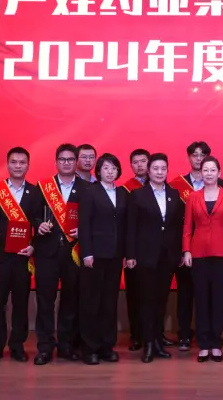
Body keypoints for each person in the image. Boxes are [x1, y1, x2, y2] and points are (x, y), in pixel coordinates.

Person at [0, 147, 42, 363]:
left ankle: (17, 345)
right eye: (14, 162)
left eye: (22, 162)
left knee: (20, 303)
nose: (18, 166)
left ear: (28, 165)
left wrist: (34, 246)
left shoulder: (35, 192)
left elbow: (39, 223)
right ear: (7, 165)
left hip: (23, 257)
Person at [127, 153, 185, 363]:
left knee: (161, 300)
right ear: (148, 171)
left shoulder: (174, 194)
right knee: (147, 300)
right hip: (145, 257)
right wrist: (130, 254)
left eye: (163, 169)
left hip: (167, 257)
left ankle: (159, 342)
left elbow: (177, 227)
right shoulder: (137, 195)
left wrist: (179, 252)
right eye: (155, 168)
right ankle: (149, 343)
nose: (160, 172)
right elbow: (131, 227)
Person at [168, 140, 223, 350]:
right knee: (185, 292)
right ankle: (184, 333)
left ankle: (212, 337)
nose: (199, 159)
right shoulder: (176, 185)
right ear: (189, 158)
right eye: (195, 155)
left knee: (211, 294)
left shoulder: (222, 186)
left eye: (203, 155)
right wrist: (182, 249)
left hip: (213, 249)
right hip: (185, 248)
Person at [182, 156, 223, 362]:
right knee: (201, 299)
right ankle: (204, 344)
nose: (208, 173)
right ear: (200, 173)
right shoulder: (192, 197)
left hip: (222, 253)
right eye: (205, 170)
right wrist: (186, 250)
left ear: (219, 173)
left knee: (218, 299)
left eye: (212, 170)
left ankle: (216, 342)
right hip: (198, 254)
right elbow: (187, 227)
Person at [33, 143, 86, 363]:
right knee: (45, 300)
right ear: (56, 162)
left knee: (70, 301)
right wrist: (38, 225)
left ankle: (66, 345)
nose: (66, 163)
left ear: (76, 162)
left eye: (70, 159)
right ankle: (45, 347)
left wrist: (83, 230)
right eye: (62, 159)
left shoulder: (86, 188)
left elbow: (92, 218)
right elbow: (33, 215)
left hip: (74, 253)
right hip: (47, 252)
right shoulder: (43, 187)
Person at [78, 153, 130, 365]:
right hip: (95, 255)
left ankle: (107, 346)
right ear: (98, 171)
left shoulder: (122, 193)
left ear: (118, 171)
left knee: (109, 302)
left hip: (115, 255)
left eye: (114, 168)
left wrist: (127, 253)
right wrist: (87, 252)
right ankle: (90, 348)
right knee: (92, 302)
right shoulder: (90, 192)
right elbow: (84, 224)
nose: (110, 172)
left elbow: (126, 226)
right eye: (106, 168)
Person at [122, 148, 150, 351]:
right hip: (133, 250)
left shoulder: (160, 185)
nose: (140, 165)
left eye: (143, 161)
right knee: (135, 294)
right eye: (136, 162)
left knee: (154, 294)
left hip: (154, 249)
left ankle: (154, 334)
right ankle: (136, 335)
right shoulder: (125, 190)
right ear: (131, 165)